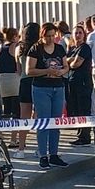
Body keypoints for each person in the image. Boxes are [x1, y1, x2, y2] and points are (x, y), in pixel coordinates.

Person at [26, 22, 70, 169]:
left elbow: (66, 65)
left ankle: (54, 153)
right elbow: (29, 70)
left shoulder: (59, 48)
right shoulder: (35, 49)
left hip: (58, 87)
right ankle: (43, 154)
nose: (51, 39)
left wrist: (61, 72)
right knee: (44, 122)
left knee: (56, 122)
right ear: (42, 36)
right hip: (41, 88)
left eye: (53, 36)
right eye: (48, 36)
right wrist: (47, 71)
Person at [13, 22, 40, 154]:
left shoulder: (19, 48)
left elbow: (17, 69)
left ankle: (21, 148)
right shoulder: (38, 47)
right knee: (39, 115)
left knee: (24, 116)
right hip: (38, 81)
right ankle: (40, 148)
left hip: (24, 81)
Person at [66, 24, 95, 146]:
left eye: (80, 33)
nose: (77, 35)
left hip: (83, 82)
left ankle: (85, 136)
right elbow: (65, 62)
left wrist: (69, 61)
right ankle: (79, 135)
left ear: (84, 35)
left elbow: (75, 64)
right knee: (76, 109)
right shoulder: (72, 49)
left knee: (84, 109)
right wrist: (69, 60)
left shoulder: (85, 48)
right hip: (73, 82)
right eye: (76, 33)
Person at [0, 27, 22, 148]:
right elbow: (18, 64)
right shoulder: (15, 47)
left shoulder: (0, 47)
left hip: (2, 79)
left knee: (6, 108)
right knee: (16, 110)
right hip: (13, 78)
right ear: (15, 36)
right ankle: (13, 139)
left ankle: (1, 134)